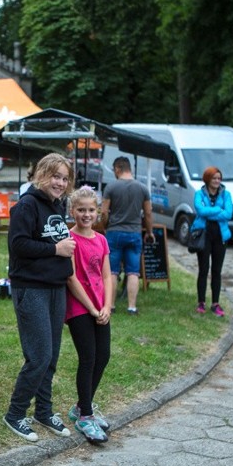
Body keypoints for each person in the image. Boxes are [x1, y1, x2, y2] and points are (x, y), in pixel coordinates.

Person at [3, 153, 76, 442]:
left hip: (55, 287)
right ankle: (15, 413)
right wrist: (55, 250)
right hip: (30, 287)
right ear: (42, 175)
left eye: (64, 178)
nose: (60, 183)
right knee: (39, 355)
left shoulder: (57, 205)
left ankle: (44, 411)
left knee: (52, 355)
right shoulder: (27, 205)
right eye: (55, 176)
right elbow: (18, 244)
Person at [65, 185, 112, 444]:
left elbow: (107, 275)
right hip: (79, 307)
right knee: (88, 358)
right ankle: (86, 416)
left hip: (100, 305)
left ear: (98, 212)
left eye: (90, 210)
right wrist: (92, 308)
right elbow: (71, 278)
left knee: (103, 356)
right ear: (72, 211)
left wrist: (106, 306)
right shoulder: (70, 241)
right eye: (81, 210)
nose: (86, 214)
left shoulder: (102, 240)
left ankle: (81, 406)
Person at [100, 156, 154, 315]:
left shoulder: (111, 187)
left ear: (117, 168)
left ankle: (111, 305)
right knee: (133, 272)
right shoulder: (143, 188)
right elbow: (149, 213)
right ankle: (132, 307)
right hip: (134, 233)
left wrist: (104, 227)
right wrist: (149, 232)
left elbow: (103, 212)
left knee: (112, 271)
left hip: (114, 232)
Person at [192, 166, 232, 317]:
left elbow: (228, 214)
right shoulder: (199, 194)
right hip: (204, 235)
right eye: (214, 178)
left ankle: (215, 303)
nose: (217, 181)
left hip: (220, 236)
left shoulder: (226, 194)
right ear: (207, 179)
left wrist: (211, 211)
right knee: (203, 269)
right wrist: (218, 210)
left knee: (217, 271)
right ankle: (201, 302)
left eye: (219, 178)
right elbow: (201, 211)